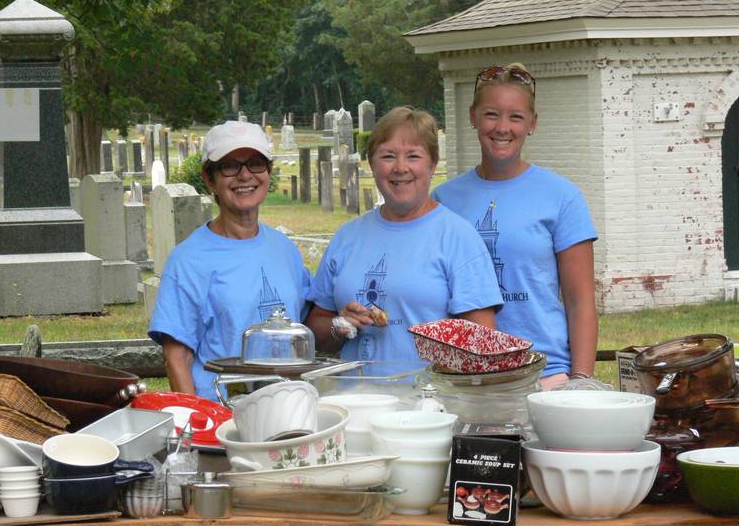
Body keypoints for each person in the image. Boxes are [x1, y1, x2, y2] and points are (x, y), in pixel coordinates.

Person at [433, 64, 598, 389]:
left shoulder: (562, 197)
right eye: (492, 114)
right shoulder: (444, 200)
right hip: (466, 376)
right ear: (473, 117)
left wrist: (580, 382)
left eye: (516, 117)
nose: (502, 127)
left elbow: (580, 302)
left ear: (532, 123)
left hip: (545, 372)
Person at [306, 106, 503, 363]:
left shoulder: (458, 237)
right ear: (372, 164)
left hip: (429, 399)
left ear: (432, 165)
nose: (400, 168)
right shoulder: (348, 236)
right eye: (388, 156)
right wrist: (339, 325)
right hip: (355, 396)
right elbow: (315, 332)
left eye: (413, 156)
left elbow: (483, 343)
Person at [148, 120, 310, 401]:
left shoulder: (285, 249)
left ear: (268, 172)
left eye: (255, 163)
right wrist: (200, 424)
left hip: (289, 408)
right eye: (230, 165)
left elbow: (306, 324)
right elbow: (177, 358)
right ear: (210, 178)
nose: (245, 175)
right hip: (224, 419)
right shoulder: (188, 260)